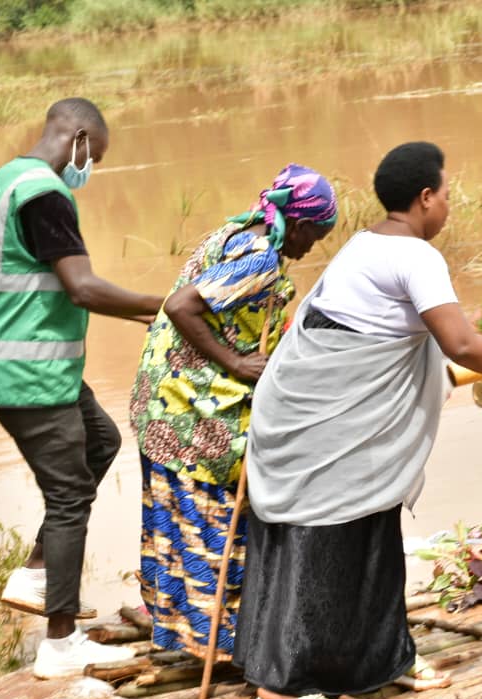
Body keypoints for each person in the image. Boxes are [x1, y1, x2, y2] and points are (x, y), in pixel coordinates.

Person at [233, 142, 482, 699]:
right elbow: (458, 342)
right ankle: (282, 686)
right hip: (328, 423)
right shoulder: (415, 256)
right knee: (323, 542)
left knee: (372, 536)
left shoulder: (367, 241)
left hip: (342, 420)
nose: (449, 207)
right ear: (425, 198)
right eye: (447, 196)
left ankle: (381, 662)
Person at [0, 98, 165, 679]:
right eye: (92, 155)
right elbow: (81, 287)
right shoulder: (45, 192)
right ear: (77, 137)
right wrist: (164, 306)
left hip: (26, 362)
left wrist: (144, 314)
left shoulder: (3, 180)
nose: (89, 168)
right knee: (70, 496)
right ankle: (60, 641)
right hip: (24, 368)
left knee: (100, 441)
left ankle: (35, 571)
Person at [129, 164, 338, 662]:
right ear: (302, 223)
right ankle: (219, 645)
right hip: (190, 411)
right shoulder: (259, 258)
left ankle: (185, 631)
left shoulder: (237, 230)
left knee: (175, 520)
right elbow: (182, 306)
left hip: (163, 398)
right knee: (212, 523)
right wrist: (237, 361)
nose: (312, 248)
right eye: (316, 235)